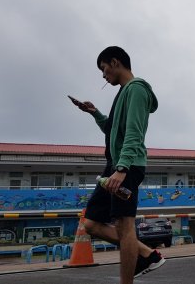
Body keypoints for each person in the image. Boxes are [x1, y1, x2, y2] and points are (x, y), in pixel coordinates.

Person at [72, 46, 161, 283]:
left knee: (125, 226)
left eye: (103, 69)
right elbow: (114, 131)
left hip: (127, 166)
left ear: (114, 62)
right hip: (115, 164)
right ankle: (146, 253)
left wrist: (122, 170)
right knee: (91, 223)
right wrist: (95, 113)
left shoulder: (137, 89)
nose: (103, 75)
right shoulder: (123, 93)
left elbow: (134, 133)